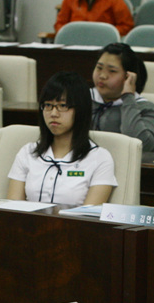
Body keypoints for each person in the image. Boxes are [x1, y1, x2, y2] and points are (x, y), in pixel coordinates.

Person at [8, 71, 116, 207]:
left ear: (81, 109)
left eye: (63, 106)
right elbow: (13, 209)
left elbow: (89, 217)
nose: (53, 113)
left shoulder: (100, 158)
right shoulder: (27, 152)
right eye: (48, 105)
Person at [90, 42, 154, 153]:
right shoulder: (82, 100)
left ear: (128, 77)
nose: (102, 76)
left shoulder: (146, 109)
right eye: (99, 68)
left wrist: (128, 97)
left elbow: (142, 146)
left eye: (112, 71)